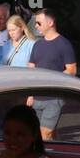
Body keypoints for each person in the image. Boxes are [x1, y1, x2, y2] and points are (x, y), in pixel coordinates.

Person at [27, 9, 76, 139]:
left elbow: (72, 70)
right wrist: (30, 94)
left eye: (38, 23)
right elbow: (31, 70)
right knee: (43, 135)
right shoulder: (37, 44)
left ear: (50, 23)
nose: (36, 26)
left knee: (44, 134)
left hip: (54, 98)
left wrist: (50, 81)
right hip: (37, 98)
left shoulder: (64, 44)